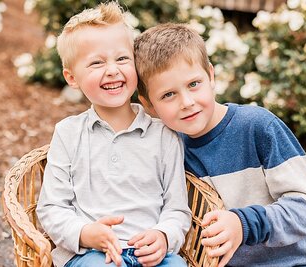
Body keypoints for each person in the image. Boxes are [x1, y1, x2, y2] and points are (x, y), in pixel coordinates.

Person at [134, 23, 306, 267]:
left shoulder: (258, 128)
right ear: (149, 105)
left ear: (211, 75)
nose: (186, 102)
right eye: (168, 95)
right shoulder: (169, 147)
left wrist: (243, 224)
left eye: (194, 84)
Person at [36, 4, 191, 267]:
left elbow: (177, 209)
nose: (112, 70)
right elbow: (51, 208)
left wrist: (164, 236)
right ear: (72, 78)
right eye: (97, 62)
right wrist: (85, 234)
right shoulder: (68, 134)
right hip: (91, 255)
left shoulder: (164, 136)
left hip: (152, 255)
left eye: (122, 59)